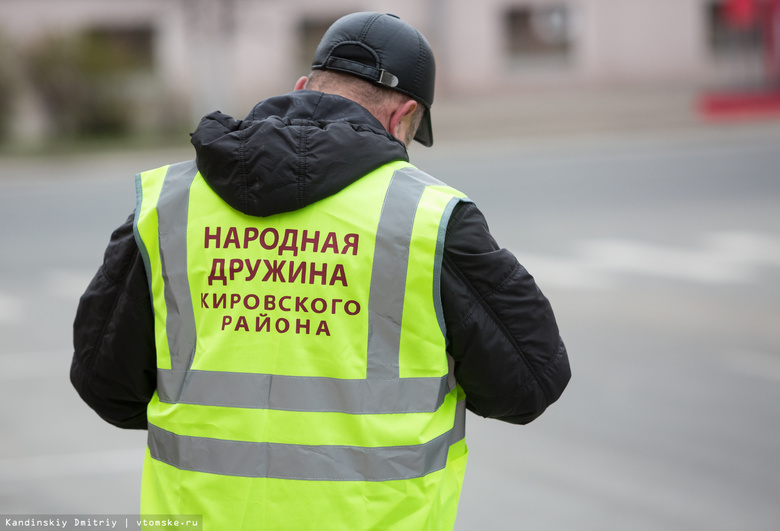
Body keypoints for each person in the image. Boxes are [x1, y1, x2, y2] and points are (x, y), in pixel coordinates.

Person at [71, 11, 570, 530]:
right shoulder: (428, 218)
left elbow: (105, 383)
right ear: (403, 118)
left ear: (303, 87)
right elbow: (529, 383)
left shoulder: (169, 205)